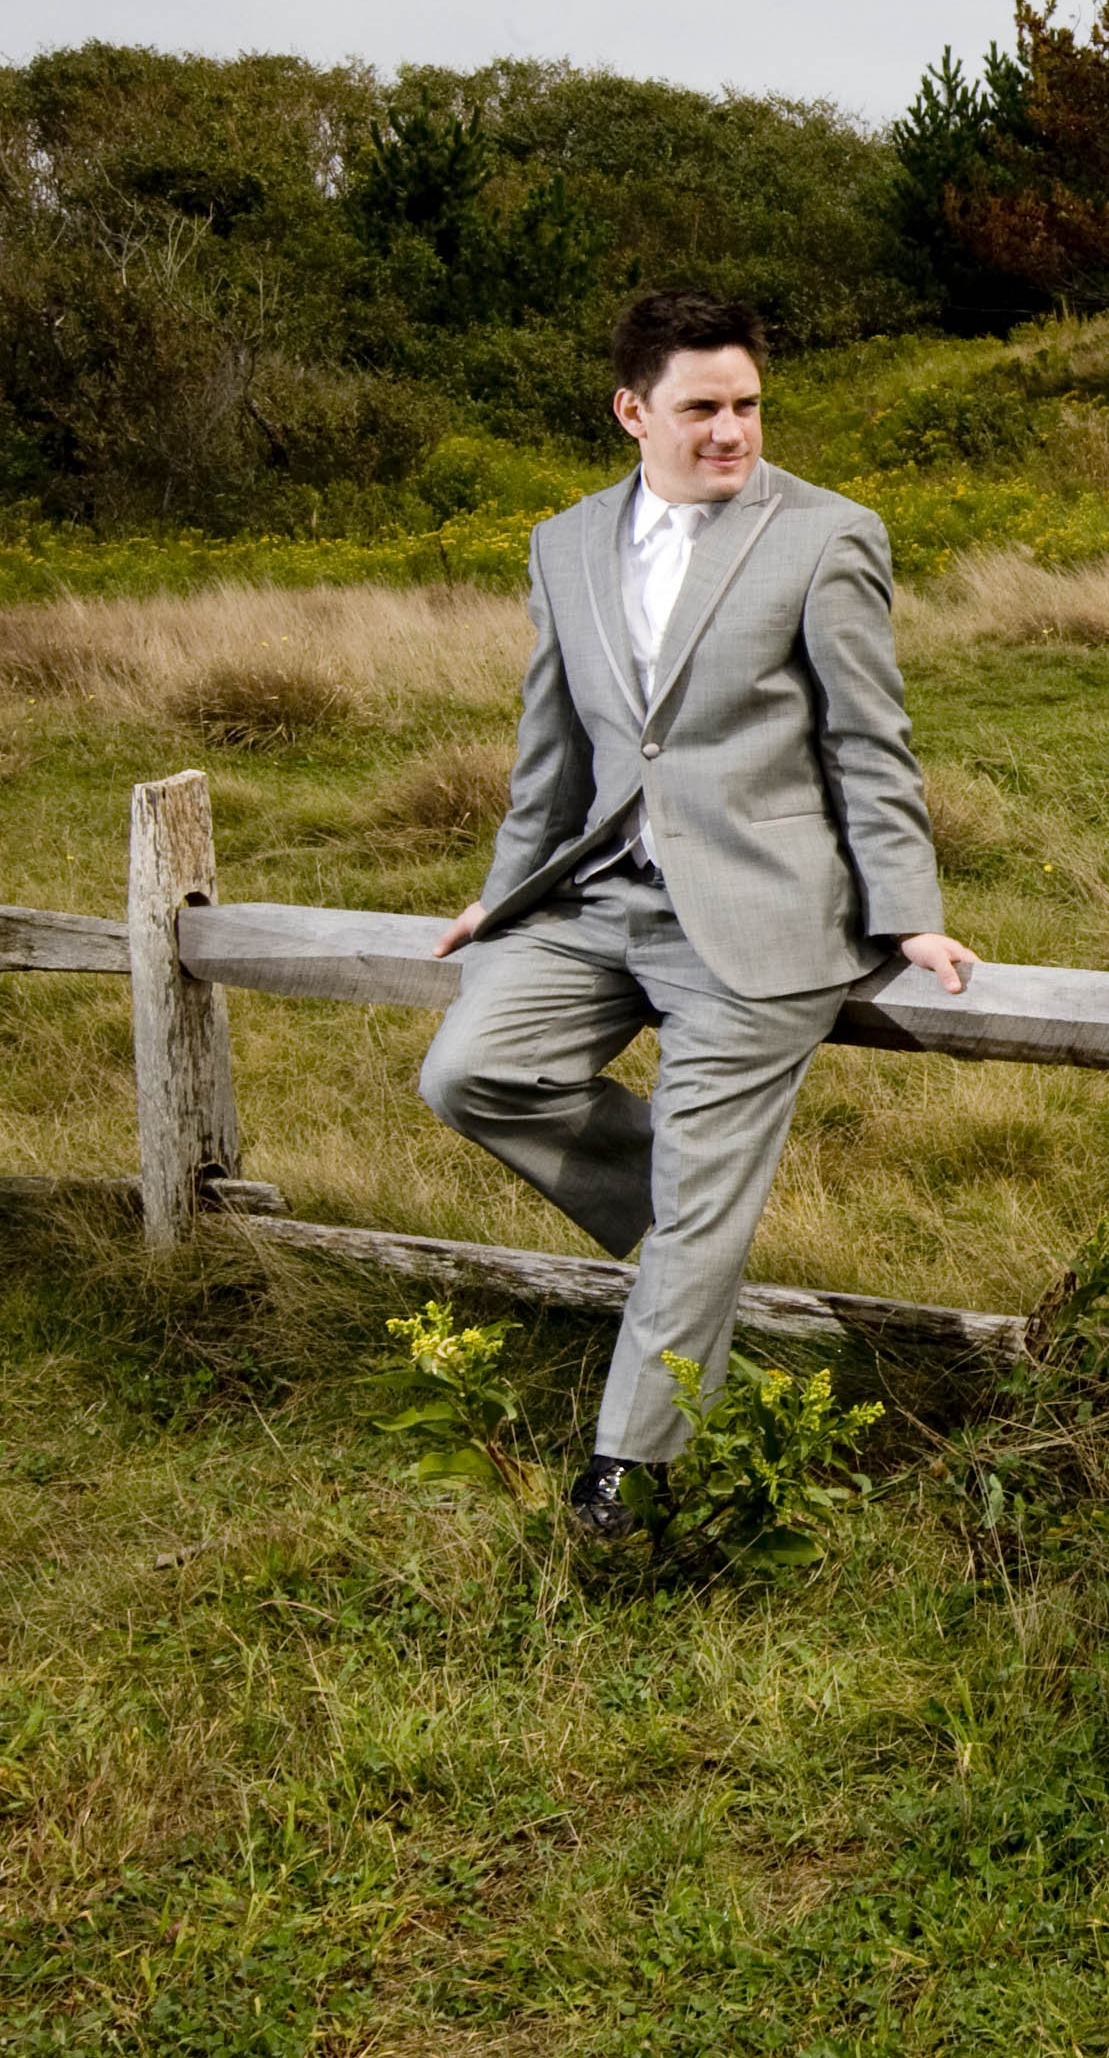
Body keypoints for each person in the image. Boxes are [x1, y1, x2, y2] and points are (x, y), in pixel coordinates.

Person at [419, 286, 979, 1537]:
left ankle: (632, 1473)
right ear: (633, 411)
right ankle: (695, 1241)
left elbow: (871, 742)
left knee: (698, 1195)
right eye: (702, 409)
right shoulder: (564, 542)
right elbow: (550, 747)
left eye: (748, 405)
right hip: (600, 894)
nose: (732, 431)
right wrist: (504, 894)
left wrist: (909, 913)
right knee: (470, 1071)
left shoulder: (828, 535)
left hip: (761, 912)